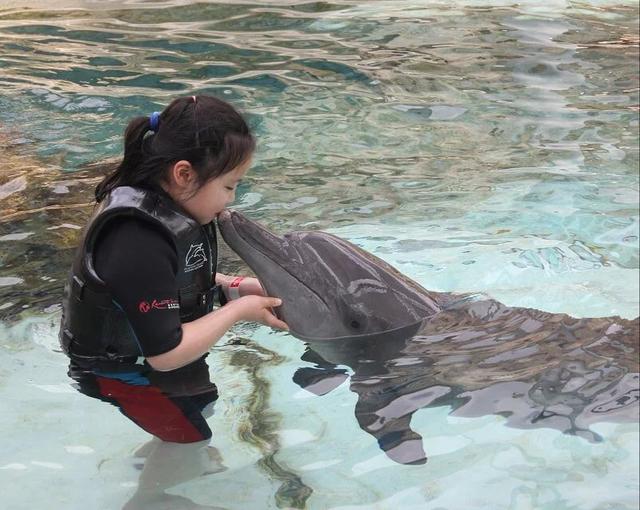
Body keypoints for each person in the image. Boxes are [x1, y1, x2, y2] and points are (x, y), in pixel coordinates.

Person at [60, 93, 288, 374]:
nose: (231, 199)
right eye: (229, 187)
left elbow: (161, 282)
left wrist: (231, 287)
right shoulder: (136, 239)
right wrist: (238, 312)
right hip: (123, 377)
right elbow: (165, 355)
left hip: (150, 369)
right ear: (184, 174)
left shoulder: (167, 211)